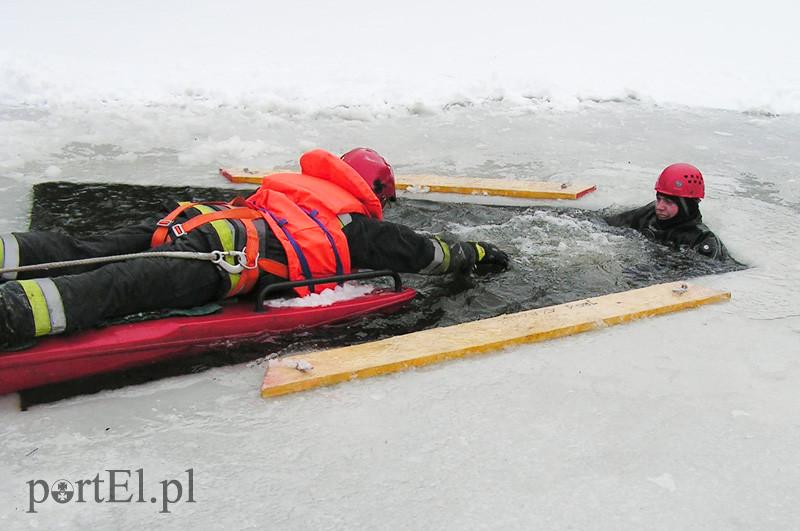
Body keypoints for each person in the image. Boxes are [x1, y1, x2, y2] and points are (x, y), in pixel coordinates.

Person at [0, 148, 509, 348]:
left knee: (84, 247)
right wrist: (481, 256)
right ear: (376, 193)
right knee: (121, 286)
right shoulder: (361, 226)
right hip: (226, 262)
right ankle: (14, 313)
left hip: (191, 224)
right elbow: (427, 255)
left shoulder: (297, 190)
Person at [604, 163, 728, 260]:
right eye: (659, 199)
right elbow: (604, 223)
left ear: (687, 206)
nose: (660, 206)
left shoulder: (702, 239)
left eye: (668, 202)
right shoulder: (648, 215)